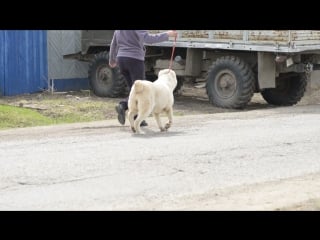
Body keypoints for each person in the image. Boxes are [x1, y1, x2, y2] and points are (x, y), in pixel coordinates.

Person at [109, 30, 178, 126]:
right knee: (141, 90)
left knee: (135, 90)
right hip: (134, 59)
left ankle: (130, 111)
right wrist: (167, 35)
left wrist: (111, 59)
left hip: (121, 59)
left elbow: (114, 43)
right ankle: (125, 107)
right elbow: (149, 39)